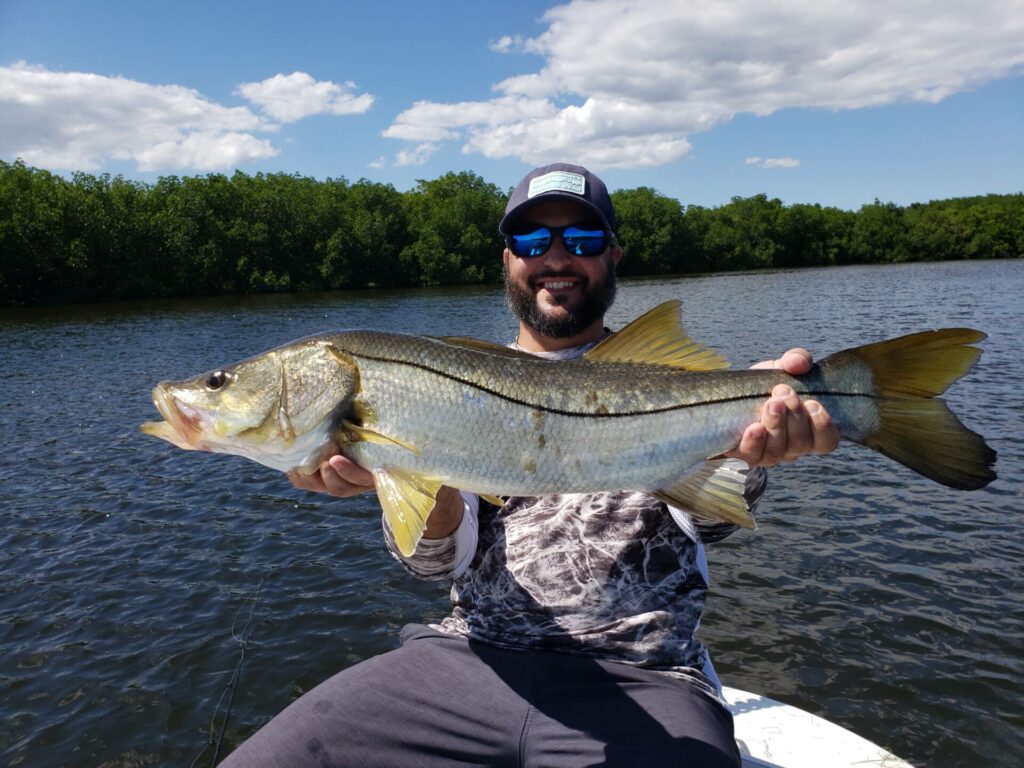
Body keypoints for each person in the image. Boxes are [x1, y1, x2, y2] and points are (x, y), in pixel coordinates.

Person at [221, 163, 839, 767]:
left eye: (583, 238)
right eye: (532, 239)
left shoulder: (672, 382)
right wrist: (410, 485)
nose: (557, 257)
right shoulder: (442, 378)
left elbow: (712, 524)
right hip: (468, 660)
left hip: (643, 674)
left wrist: (755, 446)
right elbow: (432, 564)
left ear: (614, 255)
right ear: (508, 259)